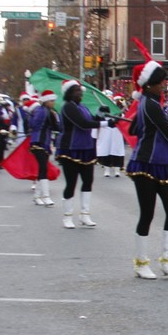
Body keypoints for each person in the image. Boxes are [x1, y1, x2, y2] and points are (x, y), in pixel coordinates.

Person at [126, 59, 168, 279]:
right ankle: (141, 262)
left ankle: (167, 260)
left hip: (163, 164)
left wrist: (142, 121)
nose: (164, 85)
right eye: (161, 82)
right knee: (147, 214)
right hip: (146, 163)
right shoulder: (150, 104)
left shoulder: (149, 103)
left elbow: (134, 128)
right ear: (150, 84)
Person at [57, 79, 108, 229]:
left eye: (80, 91)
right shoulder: (68, 107)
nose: (80, 93)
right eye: (76, 91)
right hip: (71, 148)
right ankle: (67, 216)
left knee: (88, 181)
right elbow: (82, 124)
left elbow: (90, 120)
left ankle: (85, 214)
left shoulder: (82, 107)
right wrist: (104, 123)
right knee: (71, 183)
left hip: (86, 148)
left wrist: (100, 115)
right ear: (69, 94)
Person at [28, 89, 59, 207]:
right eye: (51, 101)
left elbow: (56, 127)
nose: (53, 103)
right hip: (38, 142)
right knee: (43, 168)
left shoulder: (49, 112)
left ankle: (37, 196)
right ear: (46, 101)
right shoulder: (41, 111)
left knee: (42, 168)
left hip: (44, 142)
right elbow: (33, 125)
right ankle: (45, 196)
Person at [96, 105, 126, 179]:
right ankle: (107, 170)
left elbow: (121, 119)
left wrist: (121, 111)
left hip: (116, 135)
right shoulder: (101, 118)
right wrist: (100, 110)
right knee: (106, 152)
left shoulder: (116, 115)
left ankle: (117, 170)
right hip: (105, 135)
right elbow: (96, 119)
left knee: (117, 152)